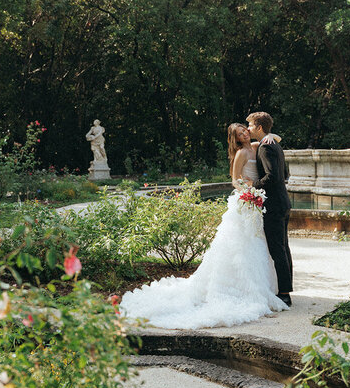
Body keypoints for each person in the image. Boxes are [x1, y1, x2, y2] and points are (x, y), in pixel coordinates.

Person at [119, 123, 288, 329]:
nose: (245, 133)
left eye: (245, 129)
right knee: (241, 244)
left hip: (257, 202)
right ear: (235, 138)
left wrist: (270, 135)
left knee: (259, 243)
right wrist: (248, 193)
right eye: (240, 133)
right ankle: (240, 288)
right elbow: (235, 181)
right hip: (247, 200)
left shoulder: (256, 146)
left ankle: (265, 286)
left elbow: (276, 139)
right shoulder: (241, 153)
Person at [246, 111, 293, 307]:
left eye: (250, 125)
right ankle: (286, 289)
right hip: (283, 202)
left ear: (259, 127)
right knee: (283, 247)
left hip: (273, 205)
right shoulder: (274, 144)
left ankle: (284, 294)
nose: (248, 129)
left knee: (277, 249)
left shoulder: (265, 147)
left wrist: (253, 185)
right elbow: (285, 174)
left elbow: (272, 177)